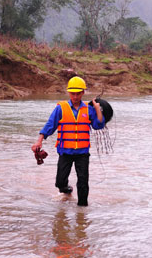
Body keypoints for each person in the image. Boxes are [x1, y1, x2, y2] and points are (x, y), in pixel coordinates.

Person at [31, 76, 105, 206]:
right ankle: (66, 189)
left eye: (78, 93)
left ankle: (82, 212)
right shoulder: (61, 108)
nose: (75, 96)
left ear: (83, 93)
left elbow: (98, 125)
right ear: (69, 92)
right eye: (72, 93)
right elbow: (50, 125)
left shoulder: (89, 109)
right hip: (65, 152)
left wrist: (98, 108)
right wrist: (39, 141)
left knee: (83, 182)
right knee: (60, 182)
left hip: (82, 153)